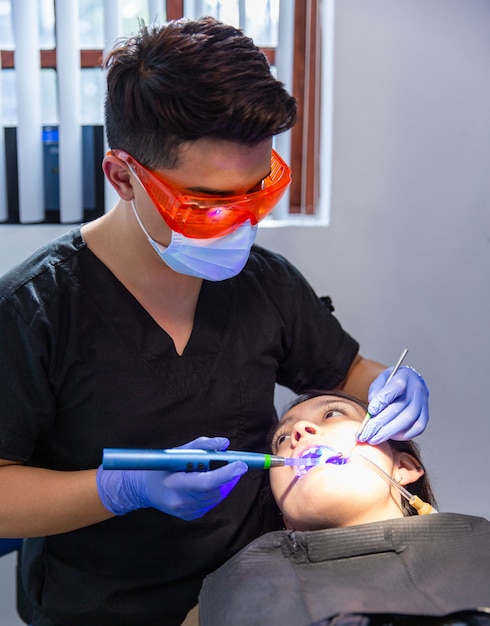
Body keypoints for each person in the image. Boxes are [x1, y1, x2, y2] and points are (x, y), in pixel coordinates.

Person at [0, 17, 430, 626]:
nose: (240, 226)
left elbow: (347, 372)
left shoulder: (266, 283)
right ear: (123, 176)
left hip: (254, 594)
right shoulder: (33, 313)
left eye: (257, 194)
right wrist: (115, 490)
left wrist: (389, 387)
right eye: (205, 205)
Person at [199, 391, 490, 626]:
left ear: (404, 468)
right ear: (285, 517)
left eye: (332, 414)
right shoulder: (227, 594)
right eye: (282, 439)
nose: (299, 431)